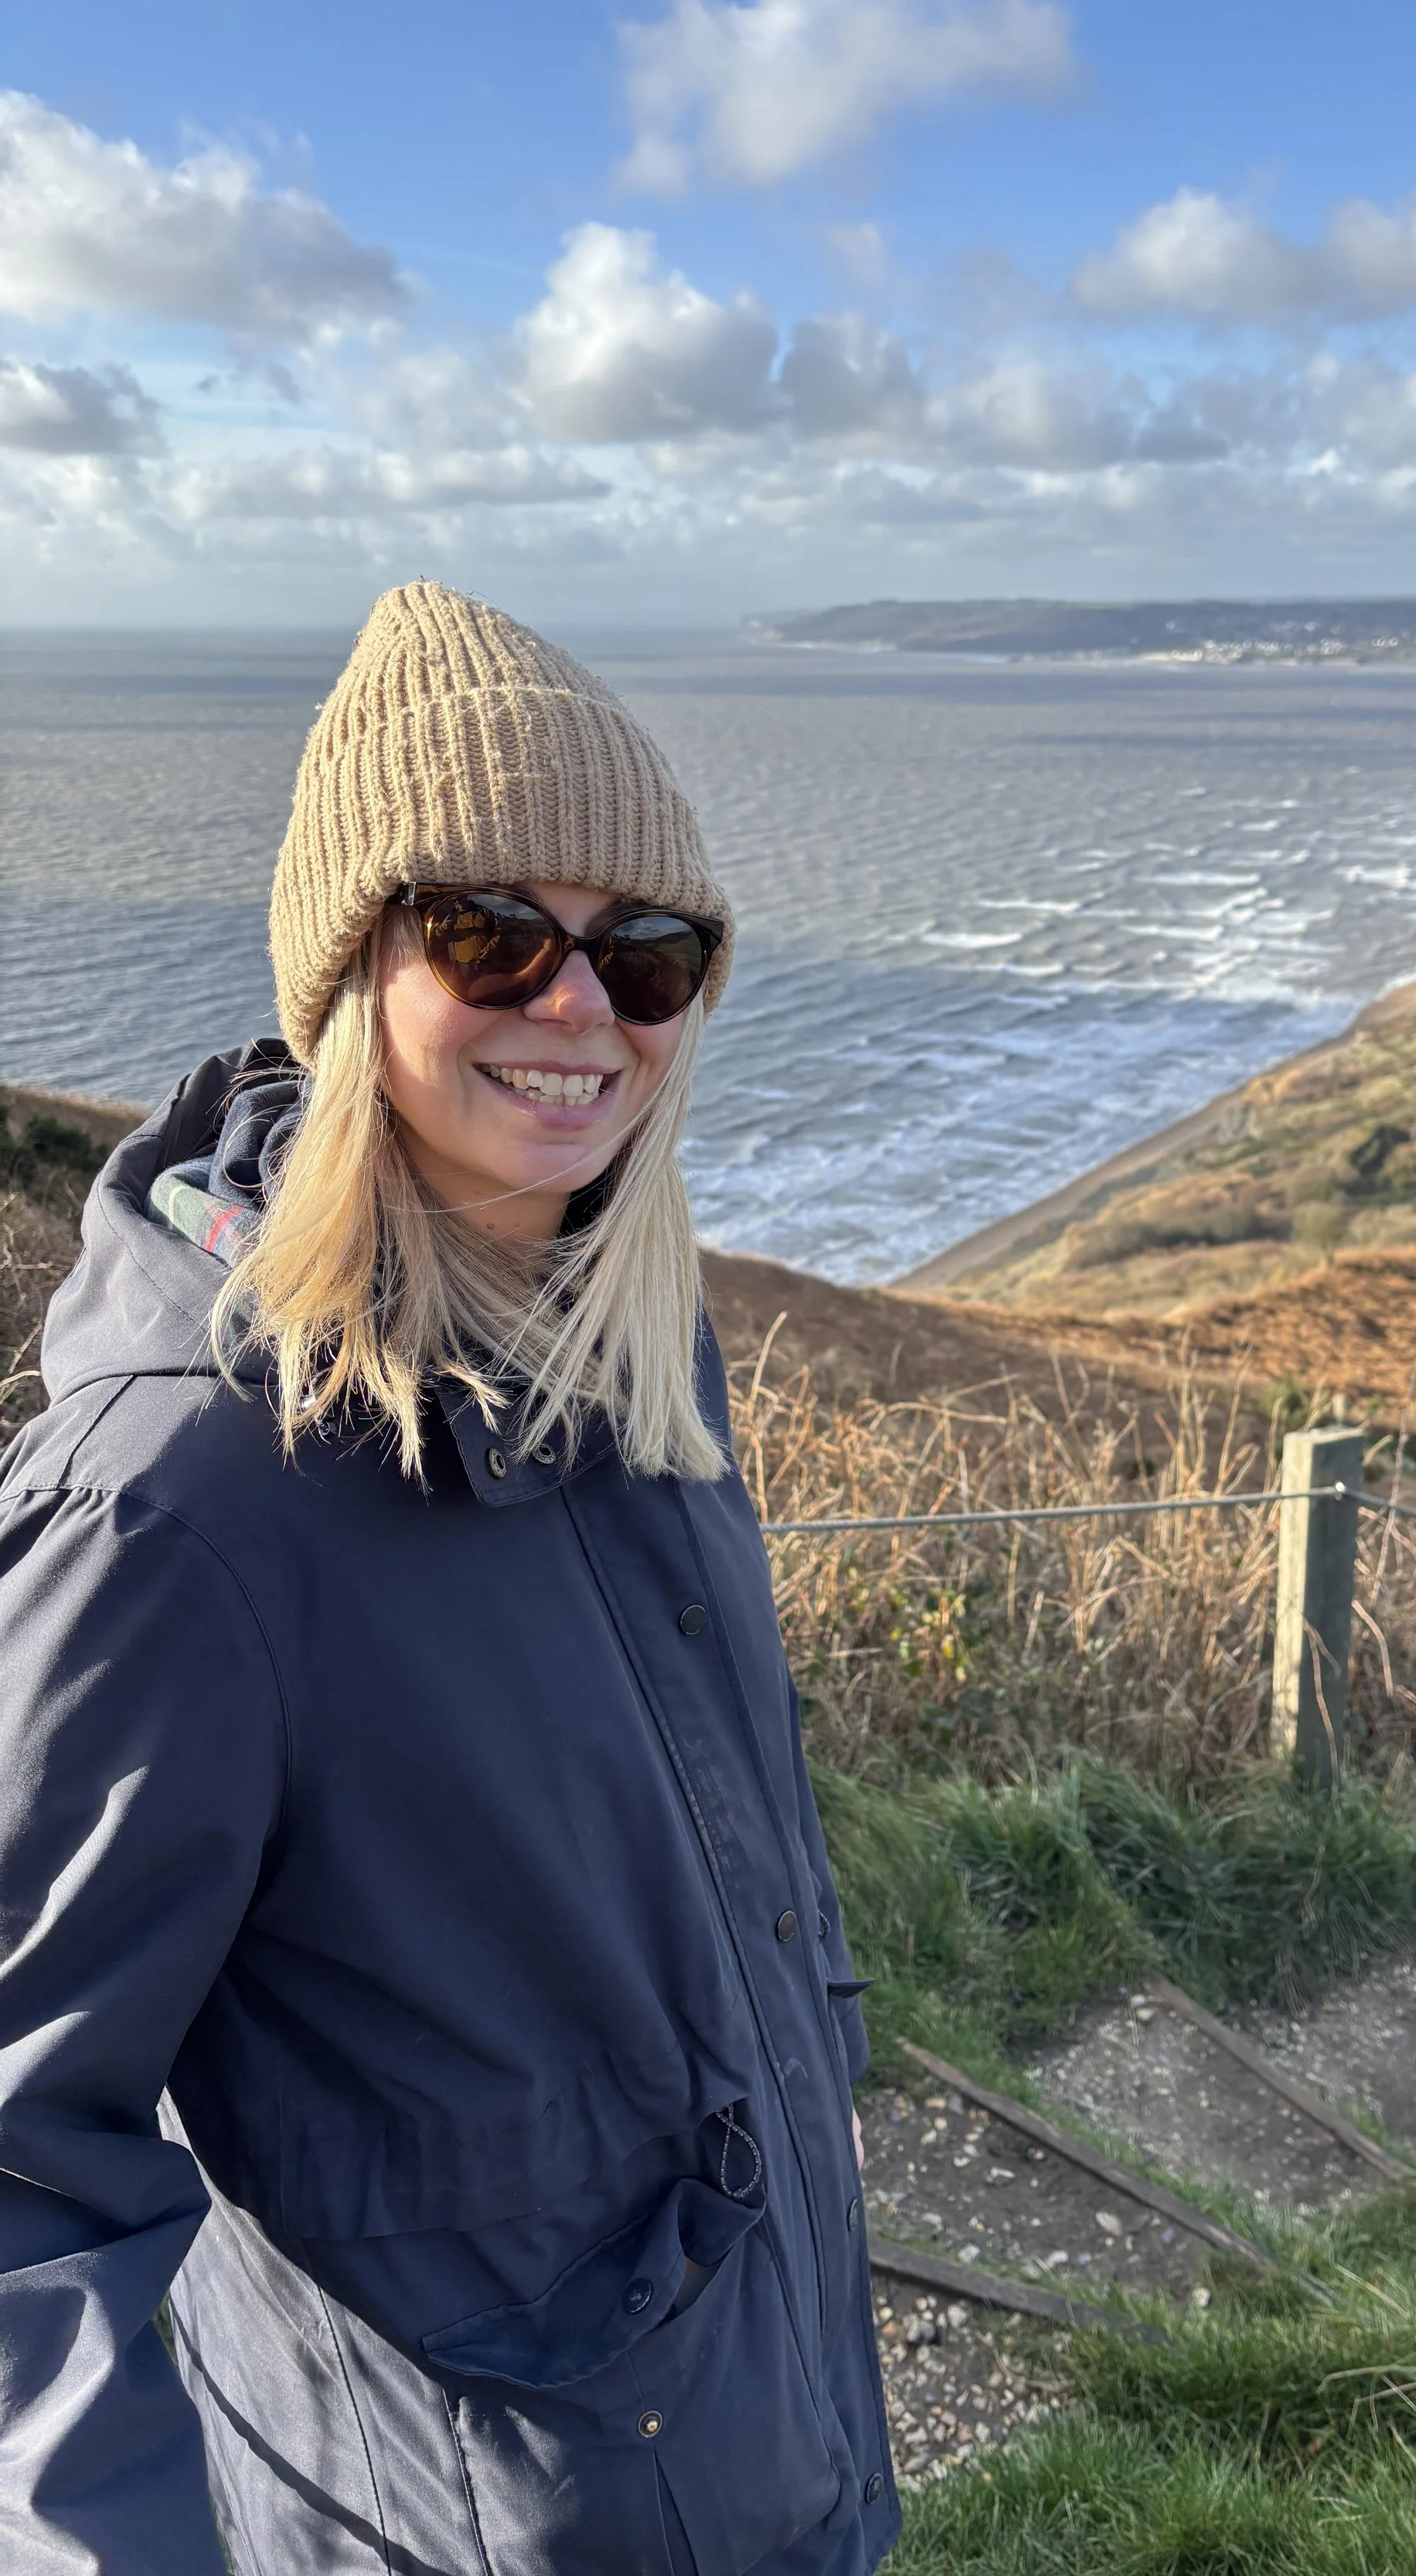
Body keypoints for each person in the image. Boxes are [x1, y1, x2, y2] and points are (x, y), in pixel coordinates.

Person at [0, 583, 897, 2576]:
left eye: (647, 955)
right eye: (492, 934)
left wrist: (814, 2067)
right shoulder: (180, 1501)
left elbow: (753, 1798)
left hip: (769, 2435)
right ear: (349, 973)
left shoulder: (633, 1345)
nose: (580, 1008)